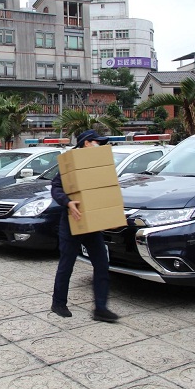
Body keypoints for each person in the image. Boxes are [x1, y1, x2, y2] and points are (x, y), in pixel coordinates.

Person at [50, 129, 119, 323]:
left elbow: (103, 191)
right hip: (73, 222)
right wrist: (68, 202)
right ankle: (58, 303)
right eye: (97, 142)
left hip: (92, 224)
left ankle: (101, 308)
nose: (100, 145)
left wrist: (109, 217)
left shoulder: (97, 165)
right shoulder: (71, 163)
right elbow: (55, 187)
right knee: (67, 264)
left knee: (102, 264)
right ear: (87, 143)